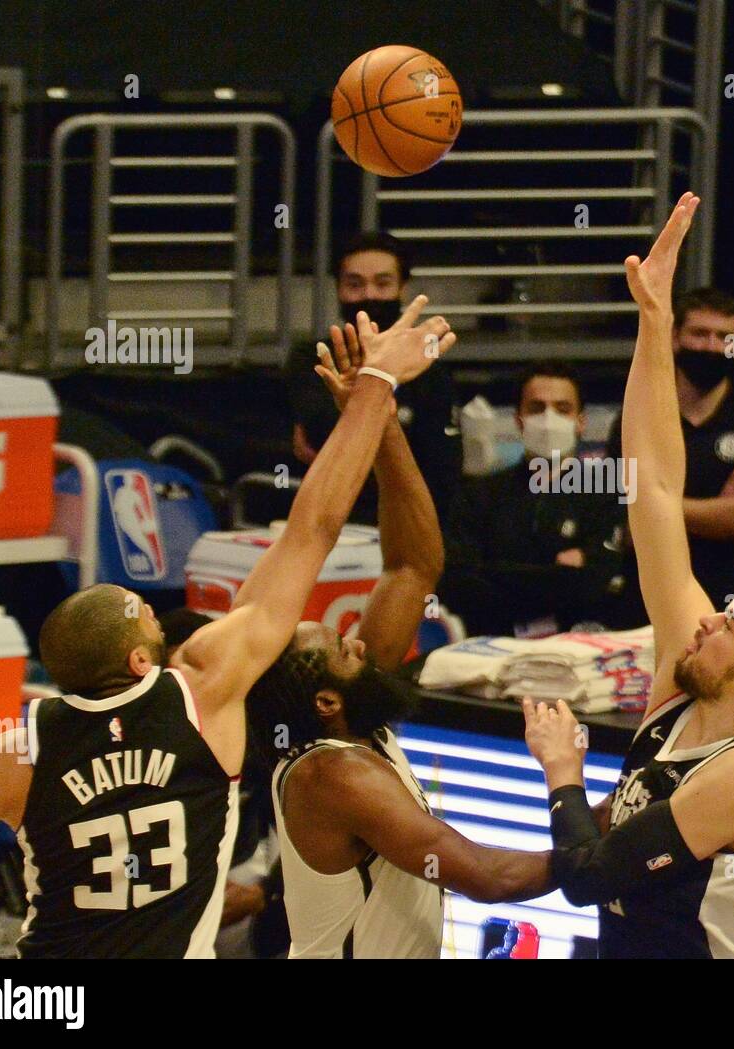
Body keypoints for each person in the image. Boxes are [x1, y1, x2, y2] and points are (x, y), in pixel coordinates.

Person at [0, 297, 454, 958]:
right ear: (141, 664)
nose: (156, 606)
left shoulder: (17, 752)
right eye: (143, 611)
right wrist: (377, 390)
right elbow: (312, 529)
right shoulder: (203, 690)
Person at [523, 193, 734, 959]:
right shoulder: (682, 684)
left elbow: (591, 877)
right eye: (721, 608)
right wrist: (653, 323)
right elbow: (655, 489)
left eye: (729, 622)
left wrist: (563, 771)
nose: (706, 620)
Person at [247, 320, 555, 959]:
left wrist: (382, 421)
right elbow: (487, 877)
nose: (357, 641)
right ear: (326, 701)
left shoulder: (351, 713)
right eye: (341, 646)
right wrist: (611, 839)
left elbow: (413, 566)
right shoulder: (334, 773)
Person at [605, 286, 734, 612]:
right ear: (675, 338)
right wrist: (716, 510)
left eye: (724, 337)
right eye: (700, 334)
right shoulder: (639, 416)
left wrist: (657, 504)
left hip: (730, 600)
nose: (712, 346)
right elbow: (629, 526)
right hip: (646, 598)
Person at [440, 361, 629, 636]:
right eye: (537, 408)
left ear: (581, 422)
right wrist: (558, 573)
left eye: (562, 409)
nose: (548, 419)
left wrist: (503, 571)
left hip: (580, 648)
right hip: (494, 647)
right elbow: (461, 585)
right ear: (518, 420)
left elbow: (599, 586)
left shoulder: (608, 494)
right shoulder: (478, 495)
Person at [285, 230, 460, 521]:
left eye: (383, 283)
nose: (369, 295)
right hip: (329, 519)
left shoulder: (429, 366)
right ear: (339, 289)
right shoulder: (313, 358)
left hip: (407, 520)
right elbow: (320, 437)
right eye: (355, 284)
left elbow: (443, 470)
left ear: (402, 288)